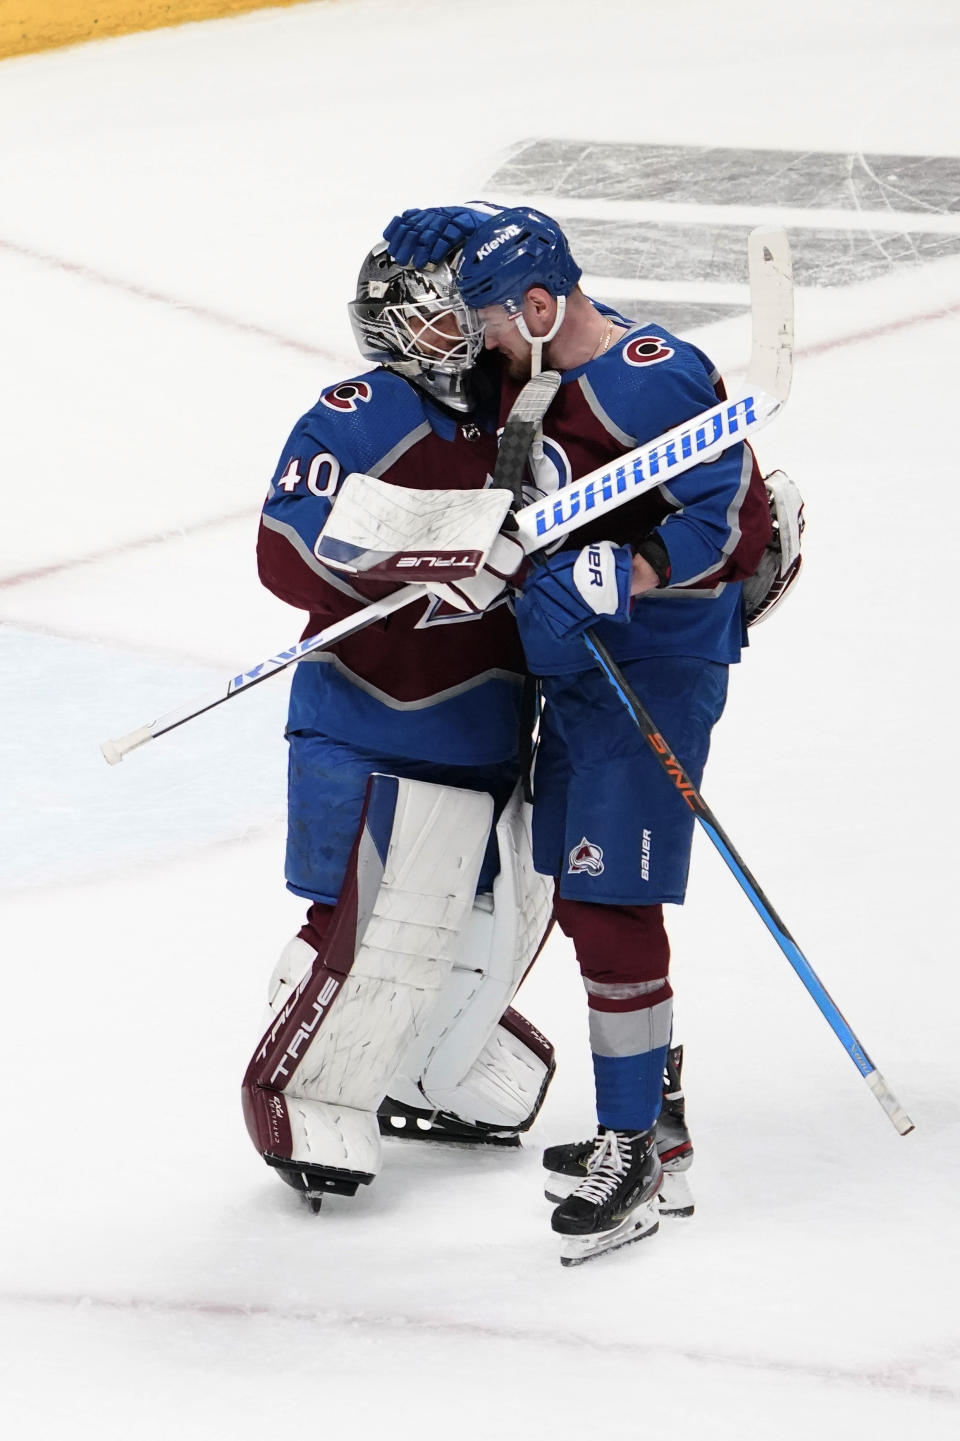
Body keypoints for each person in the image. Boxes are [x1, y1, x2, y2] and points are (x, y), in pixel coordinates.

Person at [382, 203, 785, 1264]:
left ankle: (632, 1153)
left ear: (543, 303)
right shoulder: (524, 374)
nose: (479, 344)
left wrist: (636, 569)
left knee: (611, 900)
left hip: (654, 664)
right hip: (575, 665)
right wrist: (465, 225)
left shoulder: (652, 376)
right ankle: (659, 1123)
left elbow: (727, 514)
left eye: (490, 320)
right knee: (579, 890)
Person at [241, 240, 556, 1211]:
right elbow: (285, 542)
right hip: (375, 718)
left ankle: (433, 1066)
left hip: (495, 721)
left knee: (510, 911)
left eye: (460, 310)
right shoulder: (363, 411)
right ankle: (309, 1084)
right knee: (378, 920)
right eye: (430, 314)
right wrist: (426, 550)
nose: (455, 330)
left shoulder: (520, 407)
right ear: (384, 327)